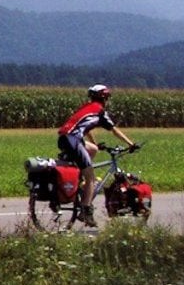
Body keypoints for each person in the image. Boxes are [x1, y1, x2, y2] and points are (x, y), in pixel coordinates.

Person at [57, 84, 136, 227]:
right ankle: (85, 211)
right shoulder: (100, 111)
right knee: (91, 177)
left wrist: (95, 143)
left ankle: (79, 181)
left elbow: (85, 128)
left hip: (65, 138)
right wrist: (131, 144)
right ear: (104, 98)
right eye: (107, 98)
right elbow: (114, 130)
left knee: (92, 149)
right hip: (73, 140)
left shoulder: (86, 108)